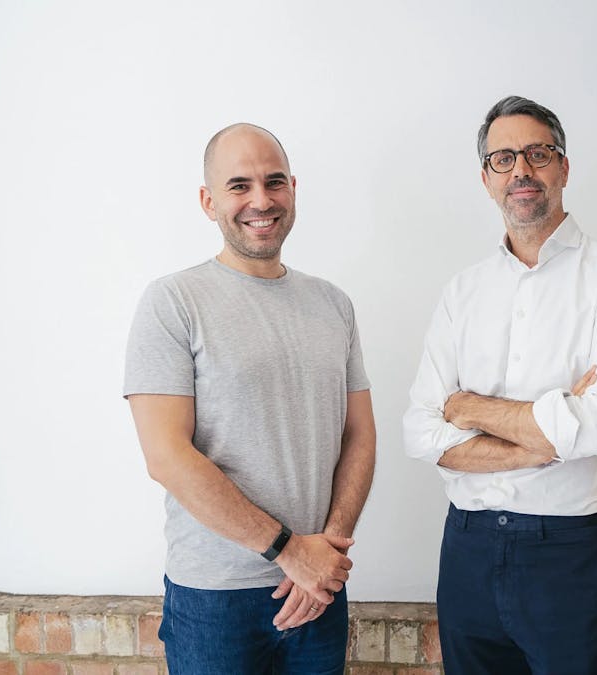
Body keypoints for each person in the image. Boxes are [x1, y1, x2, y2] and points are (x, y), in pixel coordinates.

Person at [402, 96, 597, 674]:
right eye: (503, 158)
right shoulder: (462, 292)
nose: (521, 170)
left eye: (537, 154)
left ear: (563, 167)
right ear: (486, 179)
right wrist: (547, 437)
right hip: (466, 550)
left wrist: (468, 407)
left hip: (568, 555)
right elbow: (420, 431)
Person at [124, 123, 376, 675]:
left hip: (319, 589)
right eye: (239, 185)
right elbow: (166, 456)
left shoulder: (334, 304)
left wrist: (327, 551)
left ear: (293, 189)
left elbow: (358, 434)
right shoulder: (173, 302)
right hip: (216, 599)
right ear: (208, 201)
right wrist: (291, 551)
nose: (261, 200)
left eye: (274, 181)